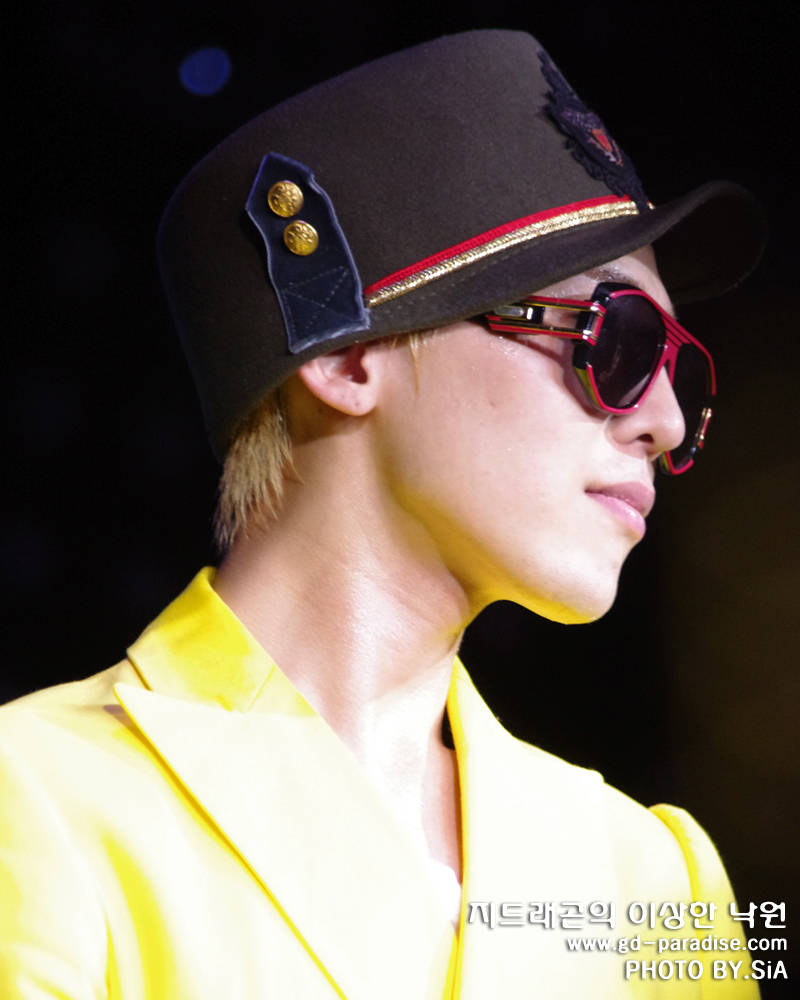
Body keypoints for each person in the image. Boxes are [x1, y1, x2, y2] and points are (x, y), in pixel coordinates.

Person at [1, 29, 767, 999]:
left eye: (681, 374)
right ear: (346, 355)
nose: (665, 423)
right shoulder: (39, 801)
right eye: (615, 340)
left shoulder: (653, 876)